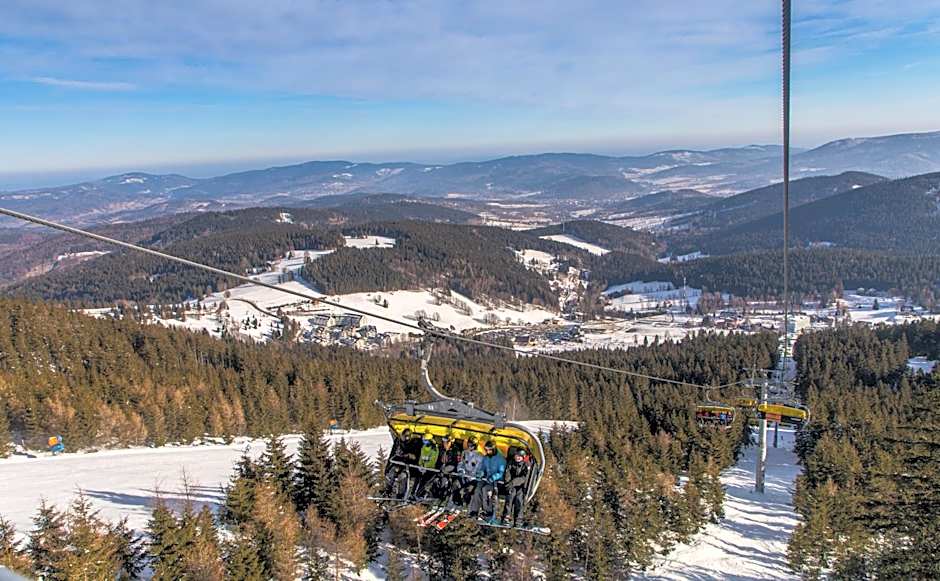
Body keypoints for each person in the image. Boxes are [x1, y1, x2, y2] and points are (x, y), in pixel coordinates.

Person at [468, 440, 506, 522]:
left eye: (490, 450)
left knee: (486, 490)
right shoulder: (486, 458)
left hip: (496, 481)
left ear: (494, 449)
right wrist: (480, 473)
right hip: (486, 478)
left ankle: (488, 512)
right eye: (486, 450)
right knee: (478, 488)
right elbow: (483, 468)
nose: (488, 451)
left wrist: (493, 477)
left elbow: (501, 472)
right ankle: (474, 511)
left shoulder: (500, 459)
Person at [385, 428, 422, 498]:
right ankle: (388, 489)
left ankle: (401, 495)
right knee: (392, 472)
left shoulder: (416, 443)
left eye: (407, 436)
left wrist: (410, 456)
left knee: (403, 476)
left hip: (412, 466)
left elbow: (416, 456)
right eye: (405, 436)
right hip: (402, 464)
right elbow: (398, 453)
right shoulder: (401, 443)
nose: (406, 438)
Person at [500, 449, 530, 526]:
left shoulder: (525, 465)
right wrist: (508, 484)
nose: (517, 458)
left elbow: (524, 478)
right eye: (516, 456)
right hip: (510, 485)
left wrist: (514, 482)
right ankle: (506, 517)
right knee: (510, 496)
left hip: (520, 486)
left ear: (523, 458)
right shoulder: (510, 463)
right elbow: (507, 475)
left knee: (519, 499)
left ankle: (518, 520)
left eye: (519, 457)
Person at [455, 437, 483, 505]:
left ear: (475, 446)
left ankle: (467, 502)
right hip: (465, 476)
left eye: (471, 445)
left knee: (468, 490)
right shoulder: (464, 453)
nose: (469, 447)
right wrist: (461, 470)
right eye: (469, 445)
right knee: (456, 485)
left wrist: (478, 474)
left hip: (473, 478)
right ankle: (455, 502)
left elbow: (480, 467)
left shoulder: (479, 455)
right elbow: (461, 463)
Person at [413, 433, 440, 499]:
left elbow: (433, 461)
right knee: (417, 478)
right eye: (423, 440)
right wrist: (420, 465)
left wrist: (425, 467)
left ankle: (420, 494)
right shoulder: (423, 447)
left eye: (426, 440)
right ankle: (413, 493)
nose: (424, 441)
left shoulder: (434, 449)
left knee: (424, 481)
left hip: (430, 469)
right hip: (422, 468)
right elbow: (421, 457)